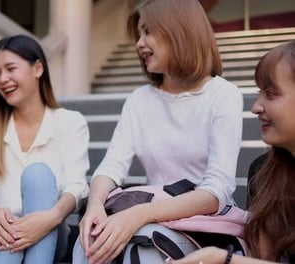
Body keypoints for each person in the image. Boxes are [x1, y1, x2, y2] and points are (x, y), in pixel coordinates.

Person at [73, 0, 243, 263]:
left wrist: (140, 214)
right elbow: (112, 166)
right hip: (149, 214)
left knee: (144, 245)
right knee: (89, 241)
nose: (139, 43)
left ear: (180, 30)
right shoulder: (139, 100)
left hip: (202, 225)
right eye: (139, 34)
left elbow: (216, 191)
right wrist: (94, 205)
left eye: (148, 31)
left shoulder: (224, 95)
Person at [0, 34, 90, 264]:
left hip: (50, 231)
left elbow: (77, 186)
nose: (2, 79)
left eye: (10, 69)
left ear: (38, 68)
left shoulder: (71, 122)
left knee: (38, 173)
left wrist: (51, 217)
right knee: (7, 234)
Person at [169, 40, 295, 264]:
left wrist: (223, 260)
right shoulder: (264, 173)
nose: (256, 107)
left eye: (271, 93)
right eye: (259, 93)